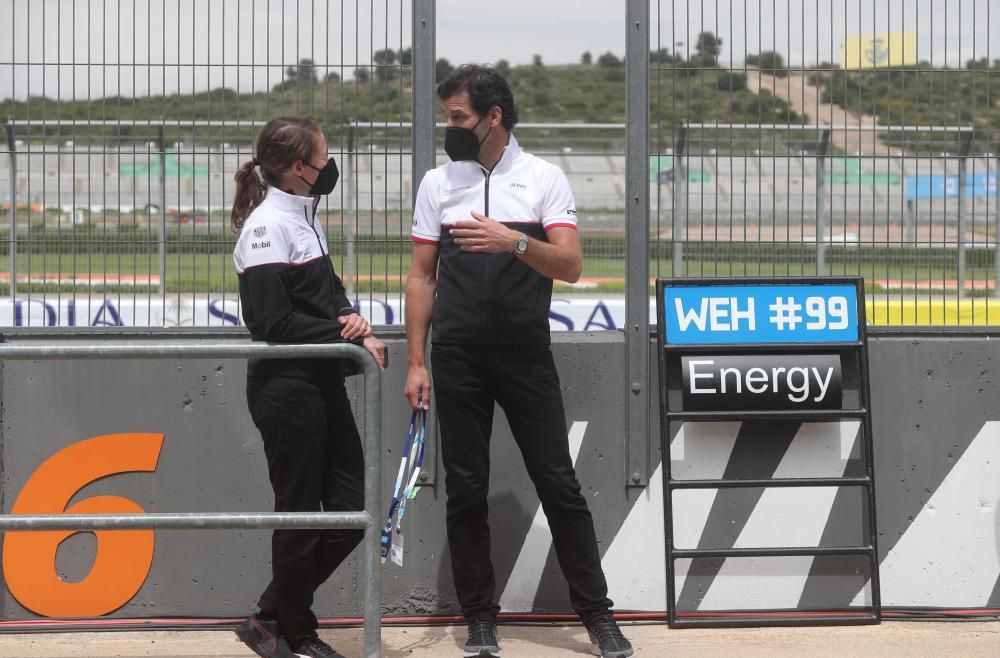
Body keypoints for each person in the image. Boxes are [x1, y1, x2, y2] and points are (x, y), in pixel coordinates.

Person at [403, 65, 633, 658]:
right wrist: (415, 362)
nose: (449, 127)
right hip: (456, 356)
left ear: (493, 117)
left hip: (525, 354)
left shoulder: (543, 178)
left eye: (457, 117)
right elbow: (421, 276)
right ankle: (481, 617)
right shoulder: (437, 183)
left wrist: (515, 242)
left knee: (559, 483)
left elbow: (572, 266)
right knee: (465, 490)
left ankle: (597, 615)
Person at [230, 116, 385, 658]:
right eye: (322, 158)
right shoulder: (267, 225)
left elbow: (329, 290)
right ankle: (296, 633)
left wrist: (351, 320)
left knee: (352, 507)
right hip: (286, 388)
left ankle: (272, 613)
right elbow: (272, 323)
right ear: (299, 168)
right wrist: (351, 339)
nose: (328, 167)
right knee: (298, 511)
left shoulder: (304, 215)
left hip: (322, 379)